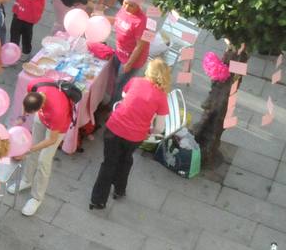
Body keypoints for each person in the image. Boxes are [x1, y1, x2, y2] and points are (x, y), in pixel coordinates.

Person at [90, 59, 172, 210]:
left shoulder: (135, 81)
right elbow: (160, 127)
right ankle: (119, 189)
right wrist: (150, 132)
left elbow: (124, 96)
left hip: (114, 128)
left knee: (109, 163)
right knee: (125, 159)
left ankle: (98, 200)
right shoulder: (161, 97)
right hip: (135, 136)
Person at [10, 81, 73, 217]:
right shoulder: (35, 86)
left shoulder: (58, 112)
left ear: (41, 107)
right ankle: (27, 180)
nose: (28, 114)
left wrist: (27, 150)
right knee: (34, 149)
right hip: (43, 119)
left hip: (56, 129)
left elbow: (51, 140)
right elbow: (25, 100)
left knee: (44, 161)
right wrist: (23, 117)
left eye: (31, 112)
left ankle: (36, 198)